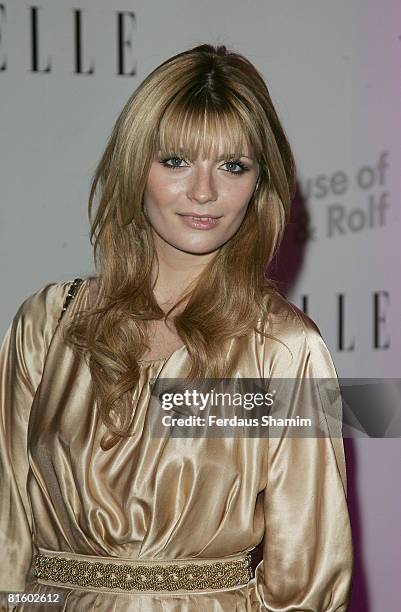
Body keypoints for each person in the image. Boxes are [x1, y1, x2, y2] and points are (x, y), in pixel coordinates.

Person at [0, 43, 353, 611]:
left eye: (233, 166)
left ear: (260, 185)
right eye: (175, 161)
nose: (205, 192)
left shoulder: (287, 350)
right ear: (134, 166)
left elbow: (307, 583)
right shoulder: (47, 323)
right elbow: (8, 529)